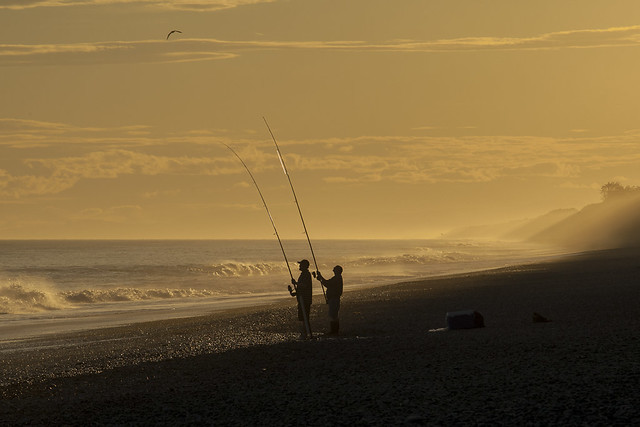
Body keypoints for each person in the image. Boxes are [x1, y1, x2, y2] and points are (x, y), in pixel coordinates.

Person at [315, 265, 343, 335]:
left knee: (333, 315)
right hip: (333, 298)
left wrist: (320, 276)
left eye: (334, 269)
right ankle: (335, 331)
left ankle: (334, 331)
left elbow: (327, 284)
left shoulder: (337, 278)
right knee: (334, 315)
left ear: (337, 271)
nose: (333, 270)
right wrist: (320, 279)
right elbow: (327, 283)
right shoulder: (337, 278)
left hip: (334, 298)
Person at [288, 259, 313, 339]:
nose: (299, 266)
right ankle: (305, 333)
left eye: (301, 265)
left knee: (304, 317)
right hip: (301, 298)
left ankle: (306, 334)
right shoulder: (303, 274)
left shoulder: (307, 274)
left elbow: (305, 285)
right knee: (302, 317)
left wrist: (296, 283)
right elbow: (300, 288)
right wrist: (292, 292)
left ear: (305, 266)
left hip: (305, 299)